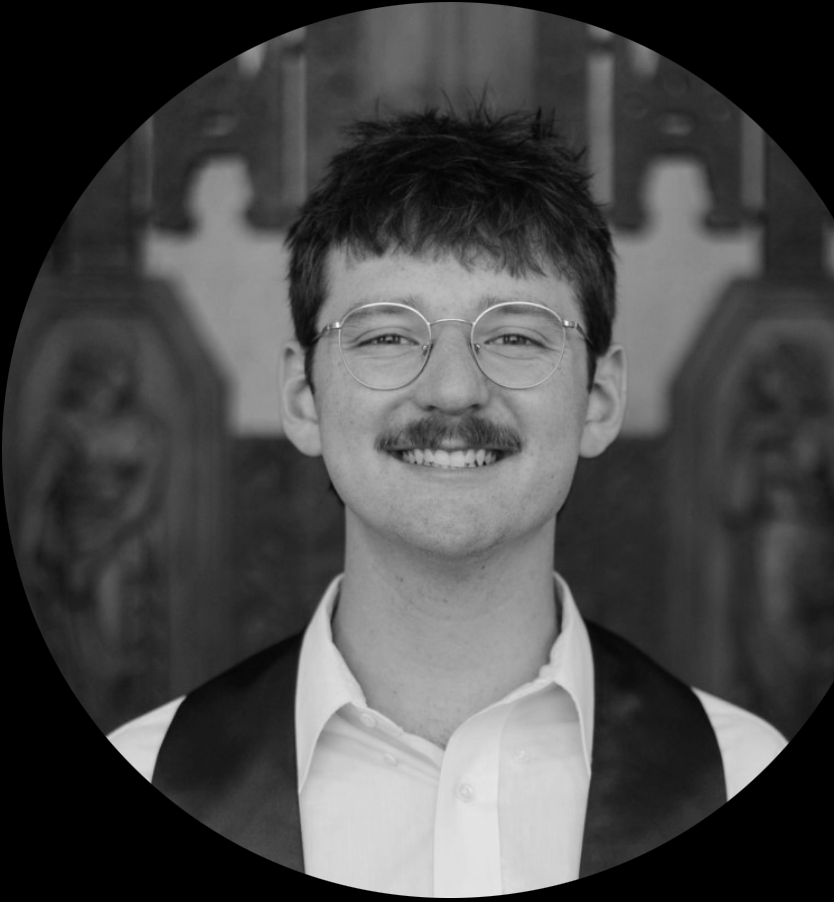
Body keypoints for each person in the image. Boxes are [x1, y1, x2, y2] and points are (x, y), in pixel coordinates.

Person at [108, 105, 786, 893]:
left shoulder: (741, 771)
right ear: (301, 395)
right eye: (388, 334)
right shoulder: (151, 768)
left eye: (516, 335)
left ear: (599, 398)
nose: (454, 389)